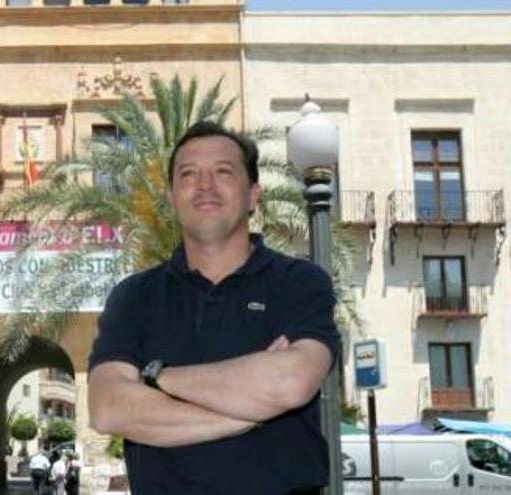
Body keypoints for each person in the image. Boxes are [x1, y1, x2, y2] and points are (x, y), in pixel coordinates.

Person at [88, 121, 340, 494]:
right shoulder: (133, 297)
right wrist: (251, 411)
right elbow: (108, 408)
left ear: (254, 194)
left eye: (223, 171)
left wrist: (158, 377)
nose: (205, 185)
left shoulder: (300, 282)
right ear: (172, 197)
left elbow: (292, 382)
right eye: (188, 174)